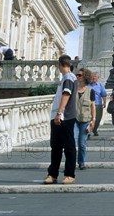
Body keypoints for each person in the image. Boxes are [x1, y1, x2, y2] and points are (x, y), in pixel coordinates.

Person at [44, 55, 78, 185]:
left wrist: (59, 113)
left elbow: (66, 94)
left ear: (59, 64)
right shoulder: (66, 78)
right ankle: (52, 174)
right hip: (59, 116)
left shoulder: (69, 78)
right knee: (56, 147)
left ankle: (69, 174)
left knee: (68, 147)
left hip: (65, 117)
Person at [74, 68, 96, 170]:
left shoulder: (90, 91)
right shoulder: (73, 89)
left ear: (85, 77)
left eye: (79, 75)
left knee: (82, 143)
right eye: (77, 75)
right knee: (73, 141)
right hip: (73, 119)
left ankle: (81, 162)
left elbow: (93, 106)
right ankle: (71, 162)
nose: (77, 77)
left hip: (85, 120)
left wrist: (93, 120)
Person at [87, 72, 107, 137]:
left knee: (97, 119)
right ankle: (89, 131)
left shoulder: (100, 85)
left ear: (97, 78)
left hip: (98, 104)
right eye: (92, 76)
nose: (94, 78)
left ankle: (95, 129)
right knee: (89, 119)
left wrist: (104, 102)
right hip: (89, 105)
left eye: (95, 76)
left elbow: (104, 94)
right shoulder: (87, 85)